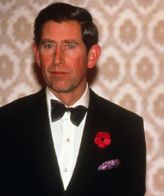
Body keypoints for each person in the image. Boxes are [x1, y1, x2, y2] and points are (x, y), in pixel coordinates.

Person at [0, 2, 146, 196]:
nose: (57, 58)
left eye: (70, 46)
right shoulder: (6, 122)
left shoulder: (127, 127)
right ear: (37, 54)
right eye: (48, 45)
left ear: (92, 56)